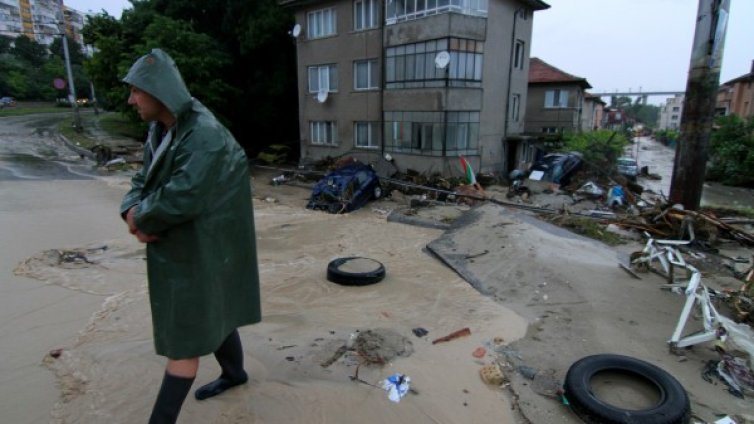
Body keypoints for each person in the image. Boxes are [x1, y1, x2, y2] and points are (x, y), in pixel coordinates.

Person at [120, 48, 261, 423]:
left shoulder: (205, 134)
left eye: (136, 91)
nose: (130, 99)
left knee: (185, 338)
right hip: (195, 236)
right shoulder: (161, 128)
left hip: (209, 238)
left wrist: (142, 219)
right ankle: (235, 374)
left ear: (159, 91)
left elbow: (183, 195)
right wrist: (130, 211)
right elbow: (143, 179)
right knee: (217, 304)